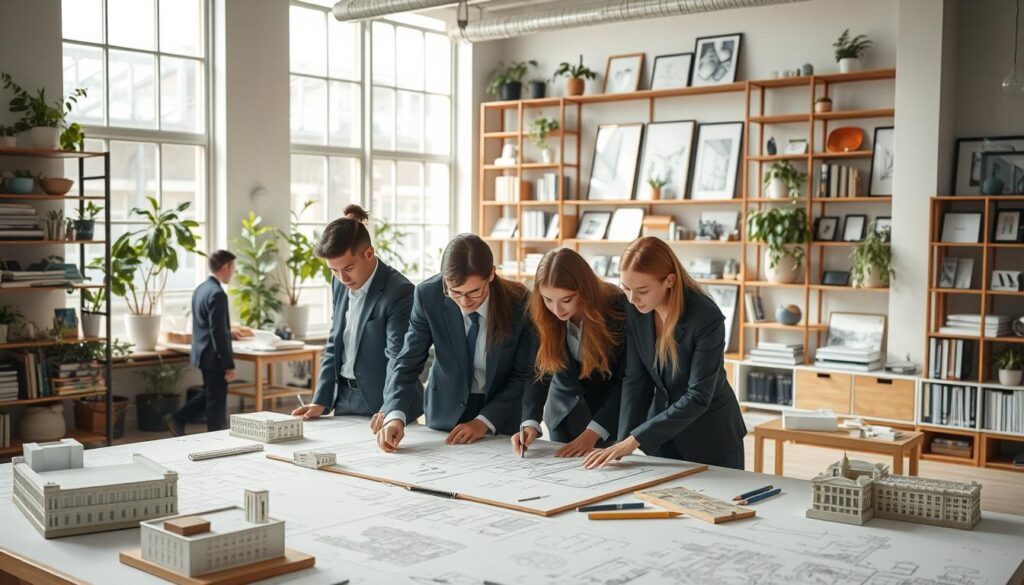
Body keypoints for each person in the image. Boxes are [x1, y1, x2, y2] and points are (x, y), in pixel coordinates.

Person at [583, 237, 747, 470]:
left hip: (712, 439)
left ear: (669, 280)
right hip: (661, 441)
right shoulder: (635, 309)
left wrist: (634, 440)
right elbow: (635, 379)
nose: (632, 299)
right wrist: (622, 442)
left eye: (642, 290)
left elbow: (698, 396)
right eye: (626, 288)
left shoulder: (705, 316)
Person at [376, 234, 535, 452]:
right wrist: (394, 417)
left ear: (491, 274)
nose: (464, 302)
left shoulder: (520, 301)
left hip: (501, 417)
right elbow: (407, 362)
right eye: (455, 292)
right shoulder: (428, 295)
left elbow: (523, 375)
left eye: (474, 292)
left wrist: (483, 421)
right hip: (444, 414)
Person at [290, 205, 419, 429]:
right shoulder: (340, 283)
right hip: (344, 401)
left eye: (348, 268)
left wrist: (391, 409)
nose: (342, 278)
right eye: (333, 270)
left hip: (385, 404)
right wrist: (321, 400)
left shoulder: (399, 291)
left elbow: (399, 358)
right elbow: (335, 342)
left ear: (369, 254)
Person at [513, 248, 626, 458]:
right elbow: (538, 369)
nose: (557, 310)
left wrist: (593, 432)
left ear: (584, 289)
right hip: (561, 415)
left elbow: (626, 379)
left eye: (566, 300)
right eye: (548, 300)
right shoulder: (542, 313)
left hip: (607, 419)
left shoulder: (617, 308)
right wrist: (530, 422)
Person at [167, 250, 243, 435]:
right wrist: (228, 364)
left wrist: (228, 331)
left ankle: (178, 418)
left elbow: (208, 325)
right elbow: (218, 333)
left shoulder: (201, 289)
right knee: (216, 403)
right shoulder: (218, 294)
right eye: (233, 267)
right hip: (214, 356)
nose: (233, 272)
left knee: (211, 395)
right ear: (225, 267)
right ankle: (217, 437)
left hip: (202, 353)